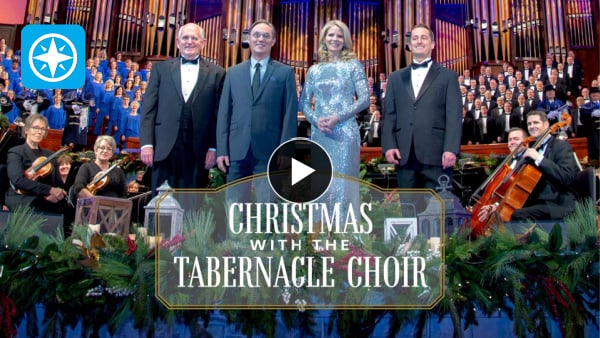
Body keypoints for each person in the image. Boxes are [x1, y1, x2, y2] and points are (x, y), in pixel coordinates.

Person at [141, 23, 225, 191]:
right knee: (159, 205)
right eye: (185, 38)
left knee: (192, 207)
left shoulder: (218, 73)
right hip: (163, 148)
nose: (189, 41)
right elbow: (149, 109)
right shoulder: (160, 69)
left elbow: (219, 115)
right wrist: (146, 144)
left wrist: (213, 147)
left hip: (198, 151)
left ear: (203, 43)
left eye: (194, 38)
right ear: (178, 42)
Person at [216, 20, 297, 185]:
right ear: (249, 39)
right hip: (236, 151)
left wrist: (286, 149)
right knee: (234, 208)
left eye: (266, 36)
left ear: (273, 41)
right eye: (256, 35)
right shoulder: (233, 73)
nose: (261, 39)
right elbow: (224, 113)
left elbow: (289, 114)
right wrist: (222, 149)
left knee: (266, 207)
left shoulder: (285, 73)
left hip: (270, 150)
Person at [381, 24, 462, 190]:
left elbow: (453, 115)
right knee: (409, 209)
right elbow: (389, 115)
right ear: (409, 45)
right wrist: (389, 145)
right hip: (404, 155)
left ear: (432, 44)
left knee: (438, 210)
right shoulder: (395, 78)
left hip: (438, 155)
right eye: (415, 38)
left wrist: (451, 149)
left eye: (424, 37)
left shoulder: (448, 76)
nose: (419, 41)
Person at [481, 111, 579, 221]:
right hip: (538, 202)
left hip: (559, 203)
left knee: (517, 215)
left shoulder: (560, 146)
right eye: (529, 124)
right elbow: (518, 186)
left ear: (546, 124)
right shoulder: (532, 151)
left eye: (536, 122)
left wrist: (539, 158)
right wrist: (498, 204)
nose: (532, 126)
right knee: (502, 215)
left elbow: (567, 177)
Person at [5, 114, 73, 233]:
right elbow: (18, 180)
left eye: (42, 129)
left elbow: (57, 183)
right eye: (35, 128)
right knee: (44, 208)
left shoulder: (49, 155)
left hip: (44, 198)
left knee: (69, 210)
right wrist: (48, 191)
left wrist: (55, 193)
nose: (39, 132)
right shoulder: (16, 152)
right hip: (22, 198)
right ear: (26, 130)